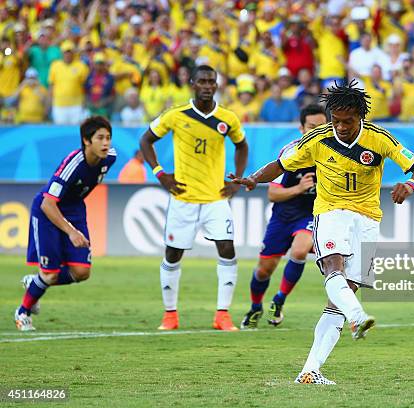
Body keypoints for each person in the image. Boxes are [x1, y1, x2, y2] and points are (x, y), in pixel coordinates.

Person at [231, 80, 414, 384]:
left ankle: (310, 370)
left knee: (343, 294)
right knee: (333, 269)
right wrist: (252, 179)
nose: (340, 127)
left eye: (347, 121)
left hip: (367, 220)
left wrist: (411, 185)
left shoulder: (379, 139)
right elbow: (279, 164)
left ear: (360, 117)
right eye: (335, 121)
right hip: (330, 212)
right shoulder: (317, 139)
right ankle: (358, 317)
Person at [139, 65, 249, 332]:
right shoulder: (176, 115)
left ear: (217, 84)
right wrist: (160, 174)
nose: (207, 86)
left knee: (227, 249)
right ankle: (170, 315)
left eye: (212, 81)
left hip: (215, 198)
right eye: (202, 81)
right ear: (192, 83)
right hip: (183, 198)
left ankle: (222, 315)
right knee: (173, 253)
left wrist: (236, 181)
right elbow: (145, 141)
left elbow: (242, 145)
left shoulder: (228, 118)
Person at [15, 116, 116, 331]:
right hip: (48, 211)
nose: (106, 143)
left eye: (108, 137)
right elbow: (48, 203)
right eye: (100, 138)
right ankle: (22, 312)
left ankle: (35, 283)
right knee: (50, 273)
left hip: (75, 209)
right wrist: (71, 232)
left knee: (82, 272)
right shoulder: (74, 164)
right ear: (86, 141)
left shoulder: (110, 158)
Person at [241, 104, 327, 329]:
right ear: (301, 128)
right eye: (311, 127)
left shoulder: (333, 155)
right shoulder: (290, 153)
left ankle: (279, 300)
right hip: (283, 216)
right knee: (263, 270)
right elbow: (273, 194)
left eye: (321, 127)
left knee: (300, 250)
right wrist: (299, 189)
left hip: (311, 216)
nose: (316, 131)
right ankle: (255, 307)